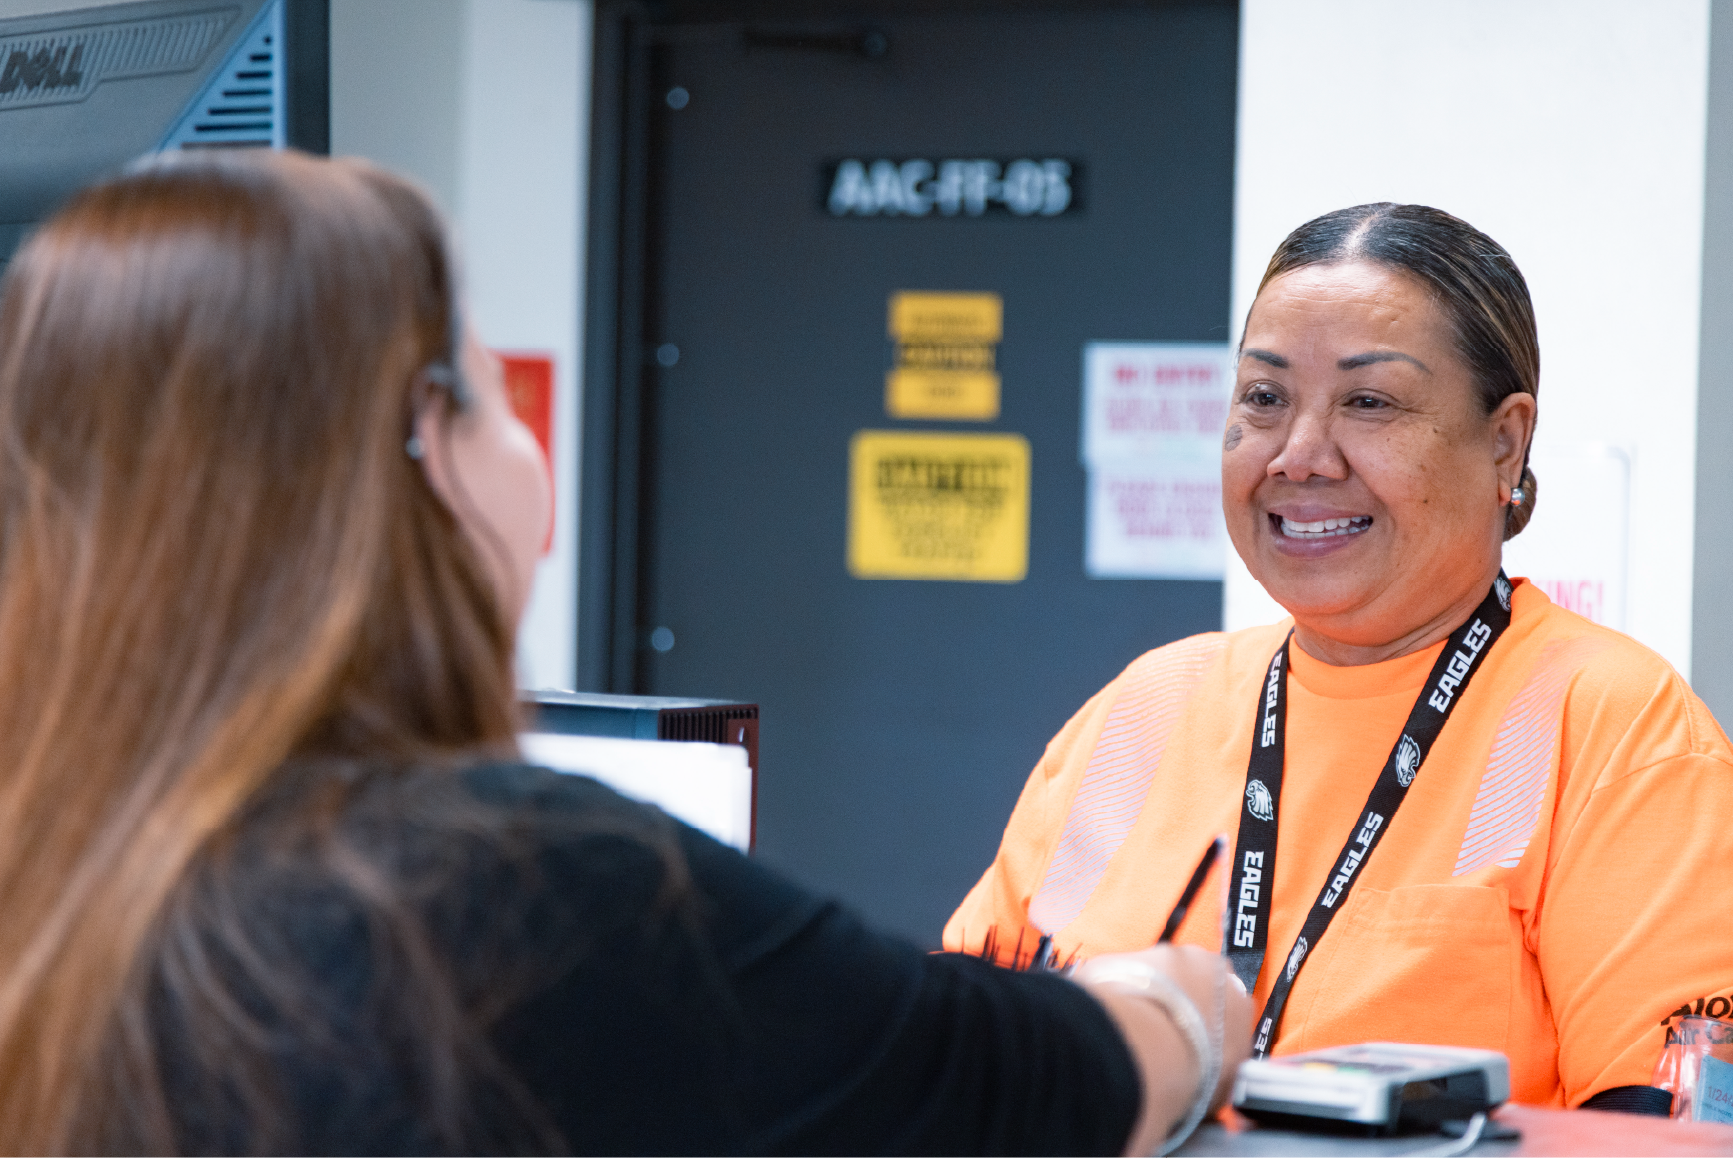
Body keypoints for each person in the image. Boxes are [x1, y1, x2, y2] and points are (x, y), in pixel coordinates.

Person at [0, 149, 1252, 1158]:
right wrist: (1186, 1000)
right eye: (493, 392)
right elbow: (1011, 1088)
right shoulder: (517, 887)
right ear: (424, 447)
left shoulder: (61, 855)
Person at [947, 202, 1733, 1114]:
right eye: (1263, 397)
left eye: (1368, 402)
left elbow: (1672, 1126)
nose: (1299, 455)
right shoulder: (1147, 705)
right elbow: (961, 1057)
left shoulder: (1608, 720)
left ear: (1504, 442)